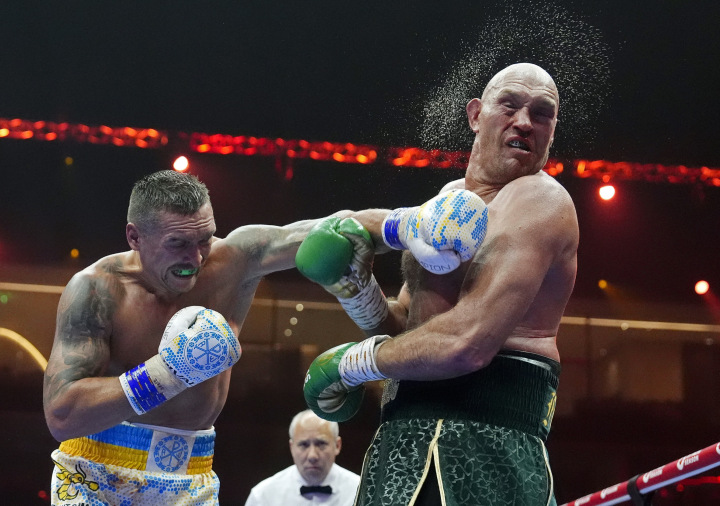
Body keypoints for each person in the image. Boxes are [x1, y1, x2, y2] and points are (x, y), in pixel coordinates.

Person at [302, 63, 578, 505]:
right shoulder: (446, 202)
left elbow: (467, 343)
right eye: (510, 104)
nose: (524, 122)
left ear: (551, 131)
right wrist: (357, 290)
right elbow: (408, 332)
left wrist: (349, 364)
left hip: (491, 443)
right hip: (400, 442)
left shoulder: (540, 200)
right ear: (475, 115)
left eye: (541, 113)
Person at [42, 170, 388, 505]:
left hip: (192, 475)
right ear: (135, 237)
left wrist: (414, 224)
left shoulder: (235, 260)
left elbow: (341, 228)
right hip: (96, 476)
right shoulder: (97, 290)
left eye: (204, 238)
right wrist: (168, 372)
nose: (194, 258)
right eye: (177, 243)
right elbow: (62, 416)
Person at [244, 410, 361, 505]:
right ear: (291, 447)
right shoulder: (263, 496)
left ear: (337, 445)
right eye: (303, 445)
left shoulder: (362, 492)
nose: (312, 456)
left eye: (321, 444)